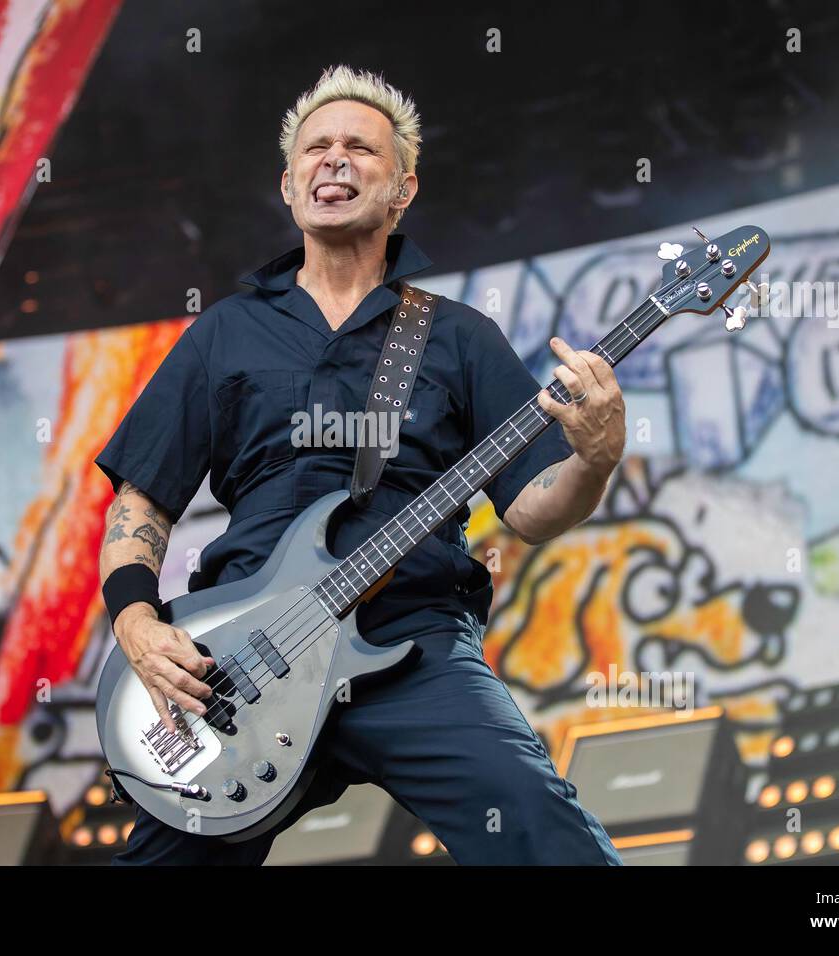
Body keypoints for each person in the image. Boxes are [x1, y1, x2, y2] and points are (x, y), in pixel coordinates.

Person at [96, 65, 626, 865]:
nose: (334, 160)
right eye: (317, 147)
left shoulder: (458, 336)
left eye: (359, 148)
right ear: (288, 183)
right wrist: (137, 622)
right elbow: (142, 504)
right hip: (241, 664)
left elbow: (530, 510)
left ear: (403, 189)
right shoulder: (226, 332)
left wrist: (596, 459)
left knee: (541, 830)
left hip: (411, 644)